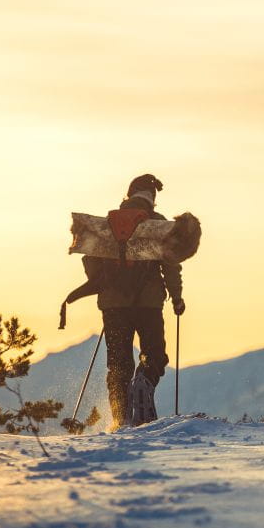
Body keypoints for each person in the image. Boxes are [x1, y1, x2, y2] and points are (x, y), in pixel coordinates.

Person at [80, 174, 185, 428]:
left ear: (129, 194)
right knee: (155, 354)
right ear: (152, 198)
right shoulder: (158, 225)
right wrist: (177, 297)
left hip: (114, 305)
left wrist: (103, 285)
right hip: (149, 303)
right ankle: (144, 381)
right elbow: (171, 265)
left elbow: (89, 259)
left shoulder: (107, 224)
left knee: (118, 362)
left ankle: (120, 417)